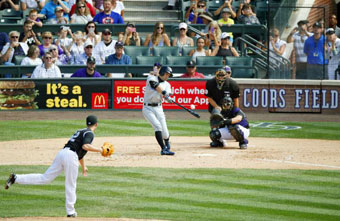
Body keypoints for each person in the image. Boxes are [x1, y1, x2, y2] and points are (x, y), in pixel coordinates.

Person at [4, 115, 104, 218]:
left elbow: (80, 152)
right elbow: (85, 146)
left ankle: (16, 178)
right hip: (70, 156)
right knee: (71, 184)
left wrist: (83, 167)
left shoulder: (81, 131)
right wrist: (100, 150)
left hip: (62, 153)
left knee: (45, 178)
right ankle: (71, 212)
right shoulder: (90, 133)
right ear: (96, 124)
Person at [142, 66, 175, 156]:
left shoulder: (167, 85)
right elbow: (155, 86)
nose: (167, 76)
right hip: (148, 108)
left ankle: (167, 145)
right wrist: (165, 93)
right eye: (167, 74)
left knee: (165, 132)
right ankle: (163, 149)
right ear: (163, 72)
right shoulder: (151, 77)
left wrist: (169, 98)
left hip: (159, 108)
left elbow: (167, 95)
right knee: (157, 126)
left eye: (169, 75)